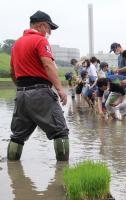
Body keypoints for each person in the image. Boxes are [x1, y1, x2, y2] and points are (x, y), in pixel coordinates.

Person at [8, 10, 69, 161]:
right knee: (60, 131)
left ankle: (13, 170)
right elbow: (48, 64)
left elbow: (12, 72)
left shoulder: (17, 44)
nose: (50, 32)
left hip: (21, 93)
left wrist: (22, 88)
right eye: (49, 28)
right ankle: (62, 172)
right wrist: (60, 89)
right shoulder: (40, 40)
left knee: (17, 136)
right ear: (41, 26)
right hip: (40, 93)